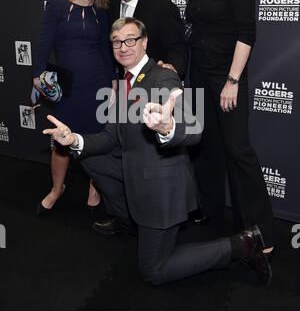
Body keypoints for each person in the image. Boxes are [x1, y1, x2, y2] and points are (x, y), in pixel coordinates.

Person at [42, 17, 272, 286]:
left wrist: (168, 127)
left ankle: (241, 246)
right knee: (89, 156)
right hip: (136, 173)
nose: (123, 47)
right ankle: (128, 217)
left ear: (145, 42)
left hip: (160, 188)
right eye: (117, 42)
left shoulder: (162, 76)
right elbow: (108, 138)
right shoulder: (123, 82)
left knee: (153, 271)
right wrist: (73, 140)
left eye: (130, 40)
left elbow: (193, 127)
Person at [174, 0, 274, 256]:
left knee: (237, 150)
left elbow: (246, 32)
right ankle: (211, 210)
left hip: (226, 77)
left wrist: (232, 80)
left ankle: (262, 232)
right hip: (200, 76)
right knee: (206, 148)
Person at [33, 0, 117, 215]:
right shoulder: (57, 6)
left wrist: (112, 84)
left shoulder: (101, 13)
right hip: (67, 87)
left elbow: (105, 51)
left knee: (94, 138)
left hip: (96, 84)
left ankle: (95, 187)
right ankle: (57, 188)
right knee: (61, 141)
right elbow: (44, 43)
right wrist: (37, 76)